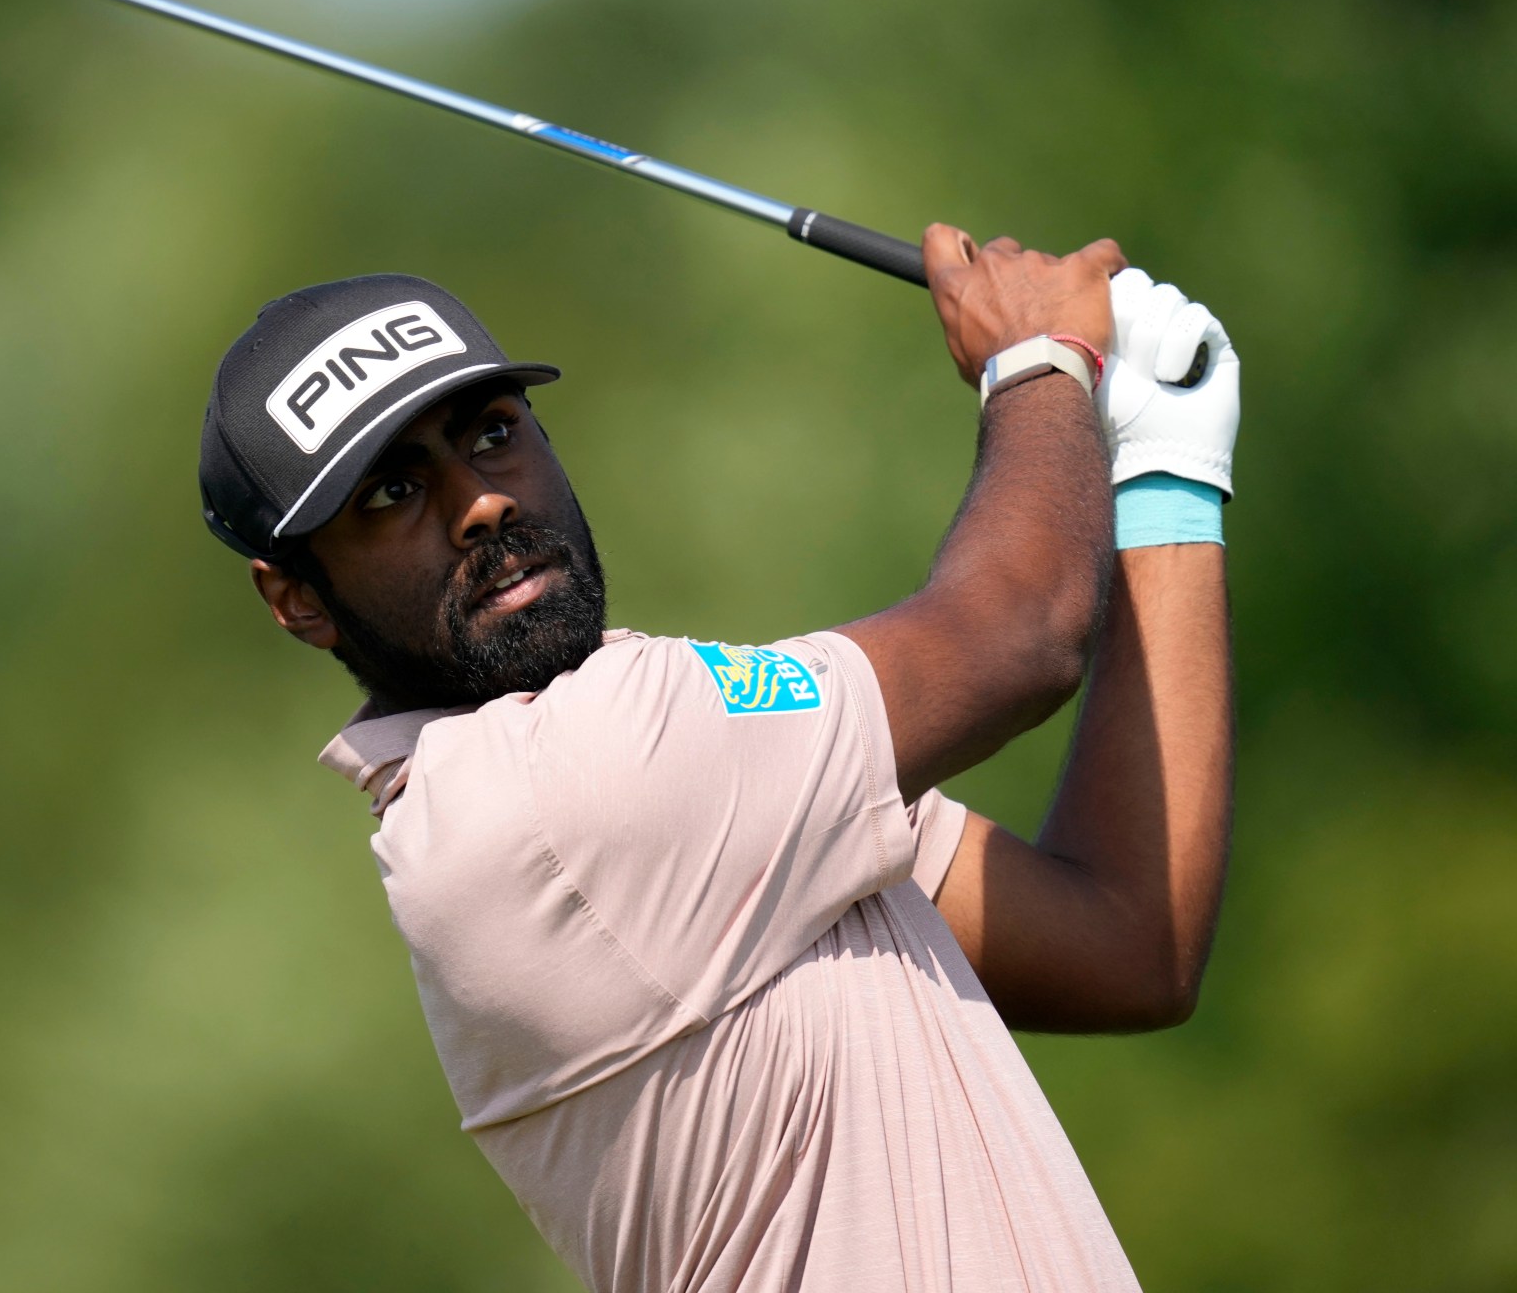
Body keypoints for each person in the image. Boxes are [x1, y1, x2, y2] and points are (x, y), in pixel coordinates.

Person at [195, 225, 1240, 1292]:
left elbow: (1127, 938)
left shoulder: (715, 793)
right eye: (390, 493)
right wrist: (1041, 360)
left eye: (493, 432)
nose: (482, 502)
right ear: (296, 599)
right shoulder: (555, 792)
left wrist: (1167, 474)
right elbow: (1019, 634)